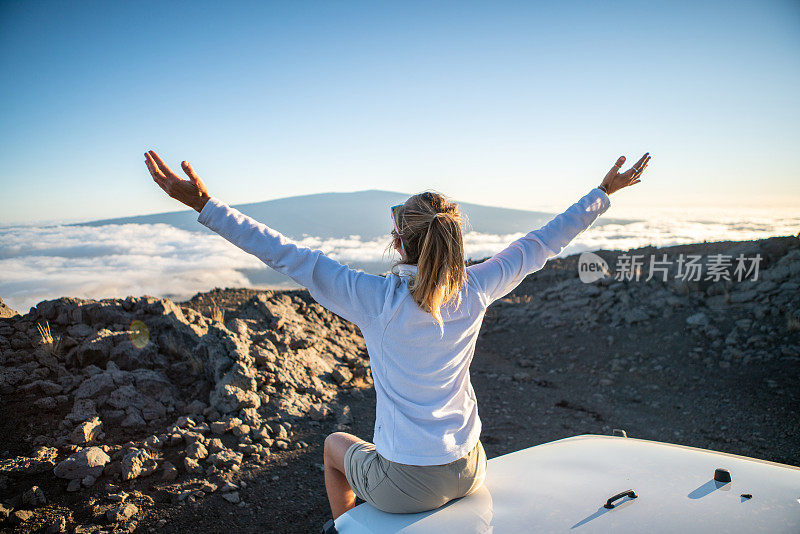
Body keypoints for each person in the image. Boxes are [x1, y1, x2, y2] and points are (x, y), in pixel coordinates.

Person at [144, 150, 650, 521]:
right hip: (470, 466)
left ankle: (344, 529)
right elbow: (543, 241)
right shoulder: (476, 287)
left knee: (335, 446)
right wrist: (602, 194)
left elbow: (285, 254)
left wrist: (205, 205)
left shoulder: (374, 299)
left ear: (399, 241)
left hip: (409, 482)